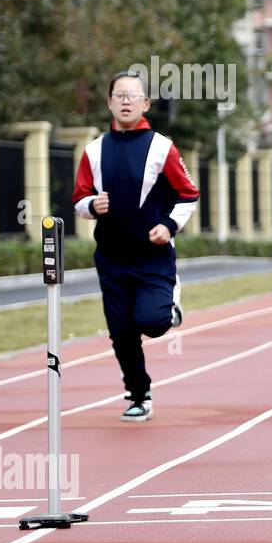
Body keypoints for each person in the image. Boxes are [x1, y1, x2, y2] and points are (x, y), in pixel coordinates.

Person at [71, 71, 199, 422]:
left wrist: (168, 225)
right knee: (121, 333)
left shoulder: (162, 147)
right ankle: (138, 393)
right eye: (119, 95)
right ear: (110, 103)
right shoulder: (93, 151)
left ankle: (170, 303)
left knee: (153, 322)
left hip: (152, 257)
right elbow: (79, 199)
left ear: (145, 104)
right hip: (111, 258)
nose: (126, 101)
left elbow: (189, 195)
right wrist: (92, 206)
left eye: (133, 95)